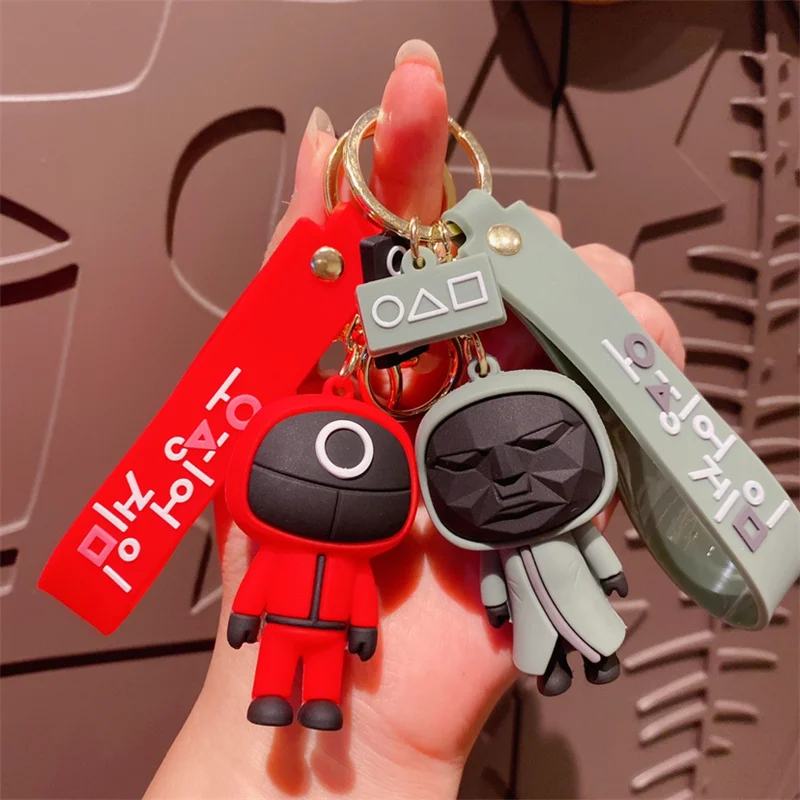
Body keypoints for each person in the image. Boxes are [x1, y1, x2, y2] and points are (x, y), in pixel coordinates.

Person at [145, 39, 684, 799]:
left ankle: (578, 659)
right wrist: (309, 634)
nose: (508, 472)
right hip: (306, 646)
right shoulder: (314, 536)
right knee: (308, 669)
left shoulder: (471, 520)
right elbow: (321, 599)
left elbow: (492, 575)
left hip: (483, 587)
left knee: (558, 625)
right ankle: (287, 699)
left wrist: (520, 587)